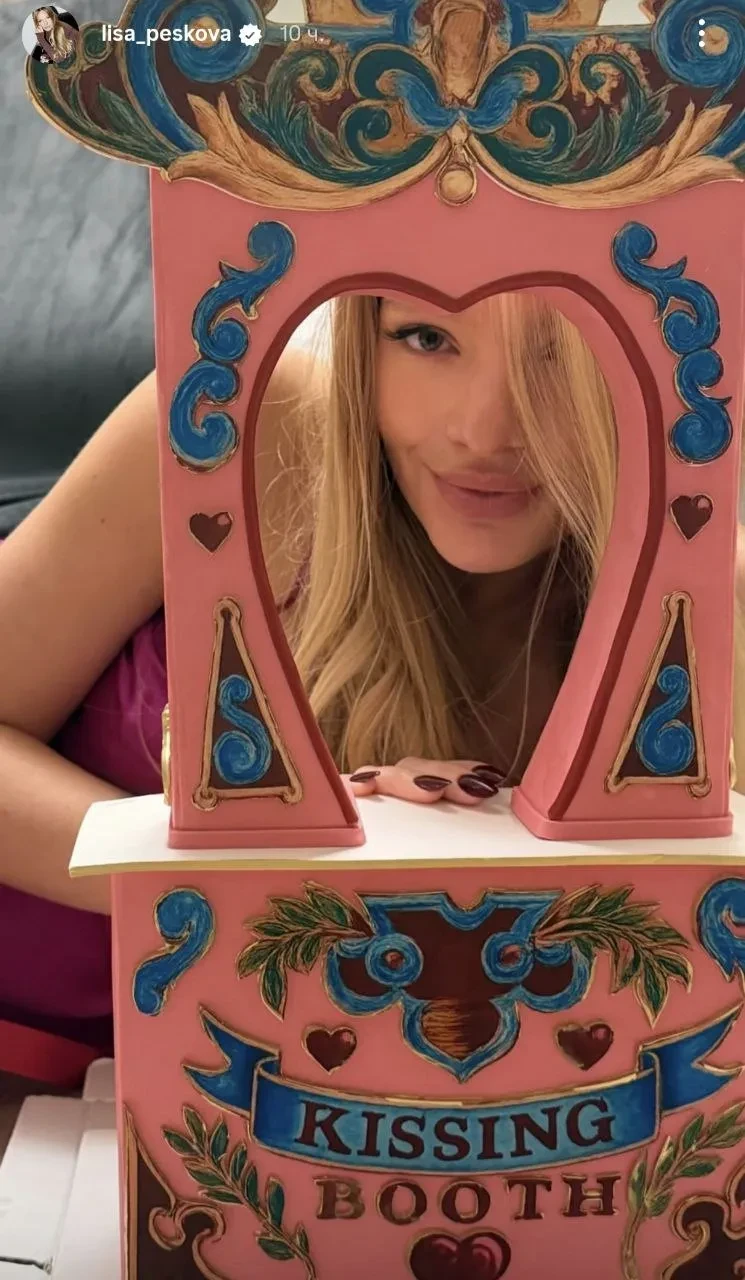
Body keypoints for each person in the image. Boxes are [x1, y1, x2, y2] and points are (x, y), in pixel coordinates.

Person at [0, 292, 743, 1074]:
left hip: (326, 1123)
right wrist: (244, 874)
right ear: (362, 337)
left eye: (561, 351)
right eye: (424, 338)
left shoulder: (702, 599)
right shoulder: (237, 426)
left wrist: (406, 883)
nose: (483, 432)